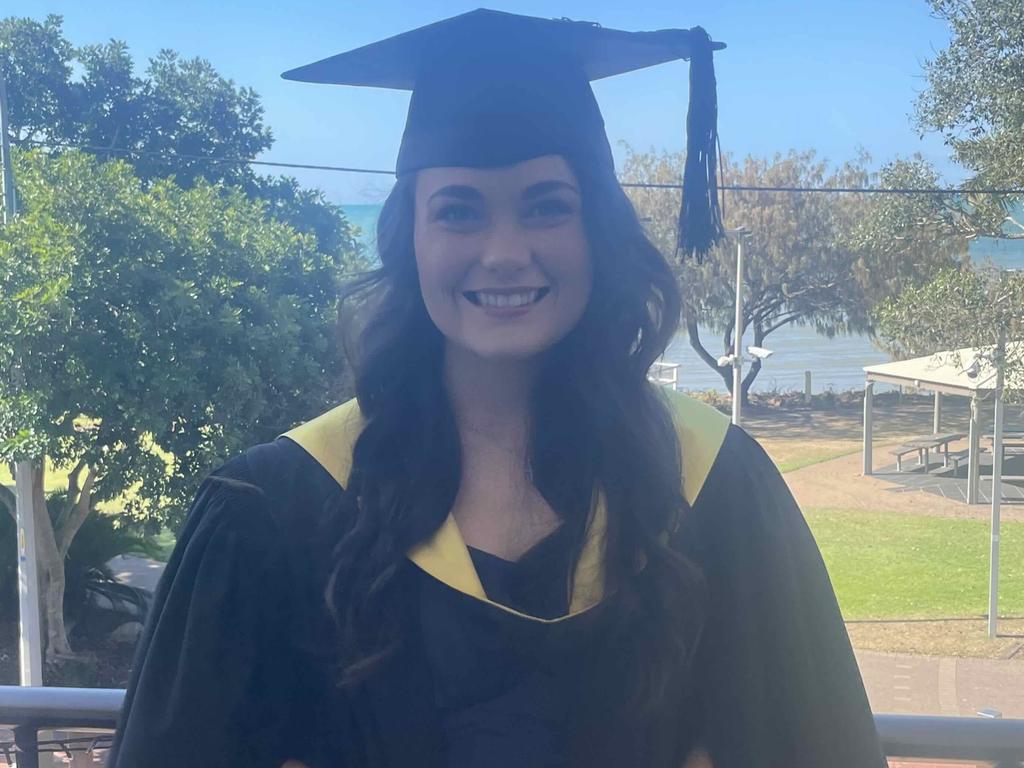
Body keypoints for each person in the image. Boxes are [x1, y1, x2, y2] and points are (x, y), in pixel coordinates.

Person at [108, 10, 884, 768]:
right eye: (458, 211)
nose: (504, 252)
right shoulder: (275, 510)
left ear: (597, 233)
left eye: (548, 206)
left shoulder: (714, 486)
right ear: (410, 238)